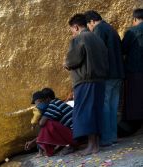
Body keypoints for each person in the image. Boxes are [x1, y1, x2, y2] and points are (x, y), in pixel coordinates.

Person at [64, 14, 109, 155]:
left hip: (85, 81)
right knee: (95, 112)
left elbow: (73, 60)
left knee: (85, 113)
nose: (72, 32)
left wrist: (65, 63)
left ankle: (91, 146)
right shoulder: (97, 38)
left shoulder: (78, 39)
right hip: (100, 80)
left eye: (72, 29)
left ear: (76, 27)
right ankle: (95, 145)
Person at [84, 10, 125, 146]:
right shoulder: (111, 28)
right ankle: (112, 136)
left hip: (107, 75)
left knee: (105, 106)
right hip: (118, 73)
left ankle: (107, 138)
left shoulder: (99, 30)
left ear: (91, 22)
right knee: (113, 107)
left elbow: (98, 53)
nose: (89, 29)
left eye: (88, 26)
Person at [25, 89, 74, 157]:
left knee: (48, 123)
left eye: (40, 101)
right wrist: (34, 141)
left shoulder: (53, 105)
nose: (38, 105)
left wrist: (38, 117)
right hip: (77, 133)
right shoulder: (57, 102)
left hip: (75, 135)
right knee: (48, 124)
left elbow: (42, 123)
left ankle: (69, 146)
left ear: (47, 99)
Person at [122, 8, 143, 125]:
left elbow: (123, 49)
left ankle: (134, 124)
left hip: (134, 70)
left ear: (134, 19)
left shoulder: (132, 31)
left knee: (135, 100)